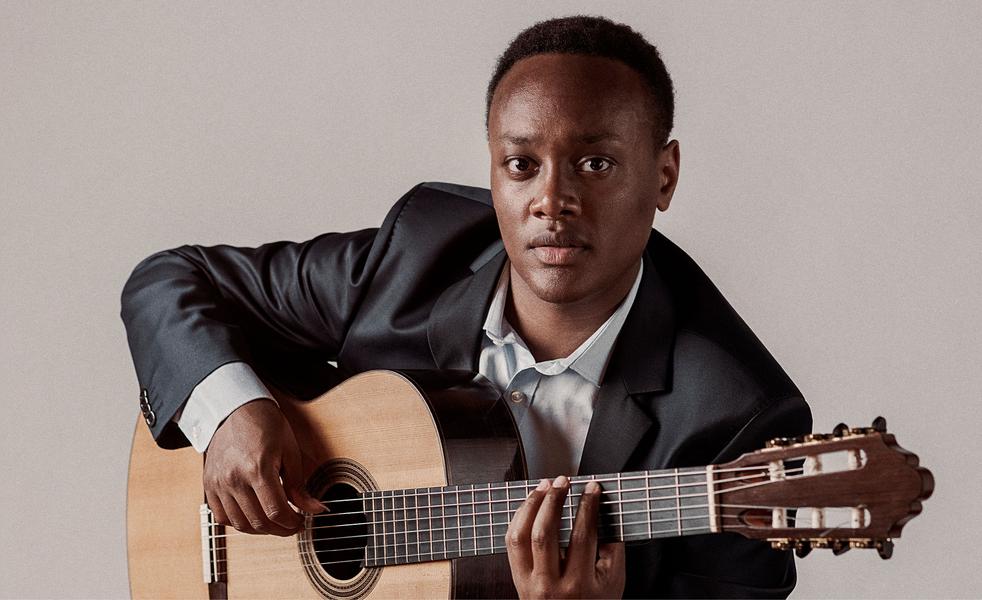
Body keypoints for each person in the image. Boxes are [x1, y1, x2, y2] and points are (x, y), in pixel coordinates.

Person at [122, 15, 811, 598]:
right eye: (522, 165)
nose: (551, 201)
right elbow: (172, 280)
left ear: (664, 176)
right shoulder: (416, 255)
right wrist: (231, 413)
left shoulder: (737, 422)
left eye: (595, 164)